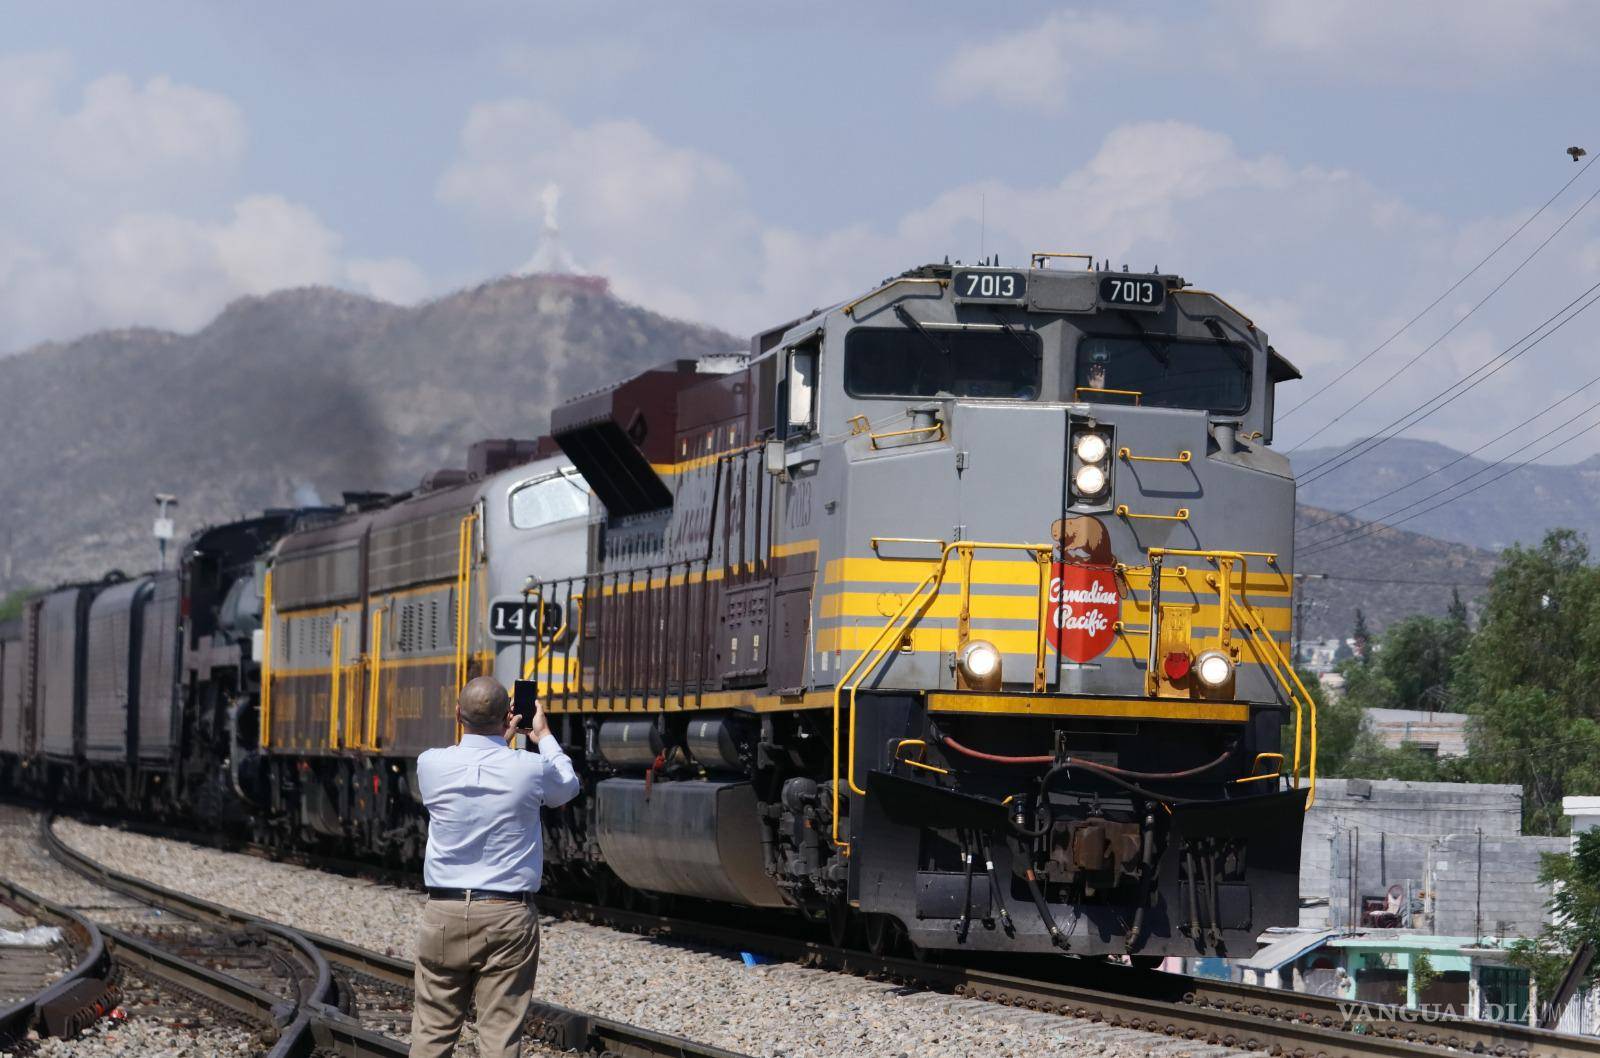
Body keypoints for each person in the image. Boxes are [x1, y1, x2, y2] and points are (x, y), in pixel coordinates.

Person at [409, 676, 580, 1058]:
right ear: (508, 717)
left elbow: (475, 764)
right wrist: (543, 735)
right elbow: (567, 786)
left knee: (432, 1031)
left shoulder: (430, 765)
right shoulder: (528, 769)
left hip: (443, 914)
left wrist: (498, 740)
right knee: (500, 1036)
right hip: (506, 916)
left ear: (457, 714)